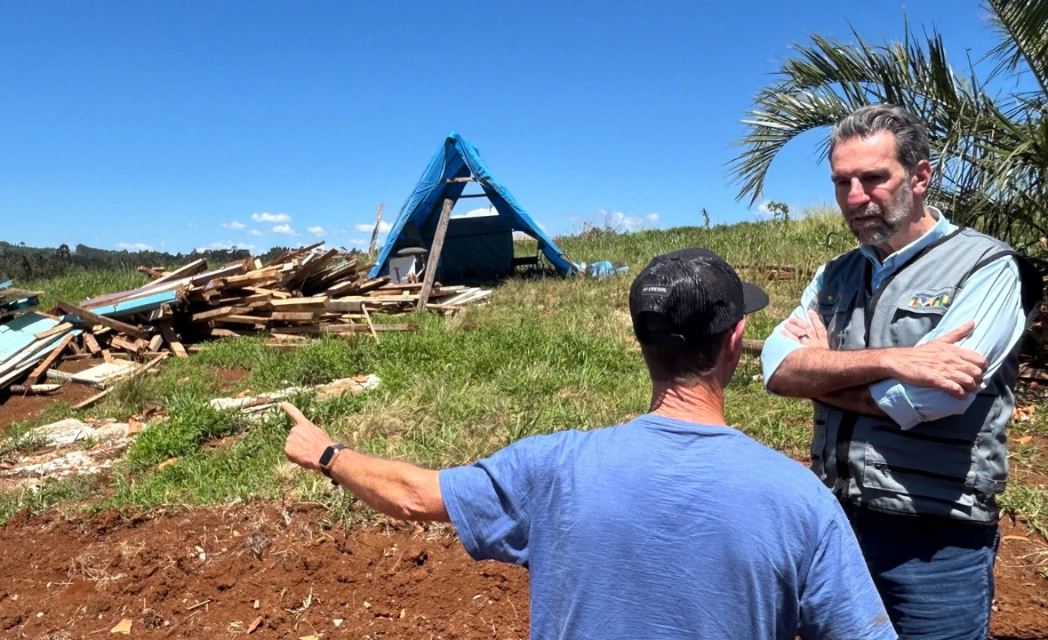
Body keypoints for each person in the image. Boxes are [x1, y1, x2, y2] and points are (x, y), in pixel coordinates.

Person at [282, 248, 895, 640]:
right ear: (736, 342)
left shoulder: (553, 469)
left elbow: (415, 496)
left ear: (640, 345)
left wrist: (328, 454)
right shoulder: (799, 499)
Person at [760, 103, 1040, 639]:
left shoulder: (986, 268)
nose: (856, 197)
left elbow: (933, 402)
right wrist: (893, 361)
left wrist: (823, 376)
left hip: (935, 538)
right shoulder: (834, 275)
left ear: (920, 176)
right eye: (843, 182)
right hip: (837, 522)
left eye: (874, 178)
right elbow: (777, 369)